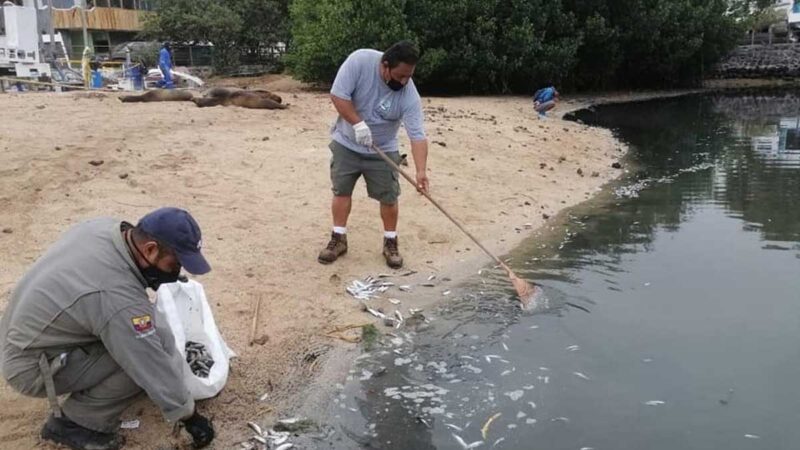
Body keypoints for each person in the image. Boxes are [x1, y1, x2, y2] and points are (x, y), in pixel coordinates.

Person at [0, 208, 215, 450]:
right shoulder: (116, 296)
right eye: (175, 264)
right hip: (29, 365)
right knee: (140, 362)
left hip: (23, 333)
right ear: (150, 250)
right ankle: (76, 424)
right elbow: (148, 361)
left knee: (151, 335)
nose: (177, 272)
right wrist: (189, 415)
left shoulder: (105, 229)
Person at [318, 41, 429, 269]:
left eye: (409, 76)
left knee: (389, 198)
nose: (404, 81)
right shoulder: (360, 61)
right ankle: (338, 238)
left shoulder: (409, 95)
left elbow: (417, 135)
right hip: (347, 142)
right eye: (400, 76)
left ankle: (390, 242)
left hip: (383, 149)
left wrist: (421, 171)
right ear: (385, 66)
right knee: (341, 191)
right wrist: (358, 124)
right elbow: (338, 95)